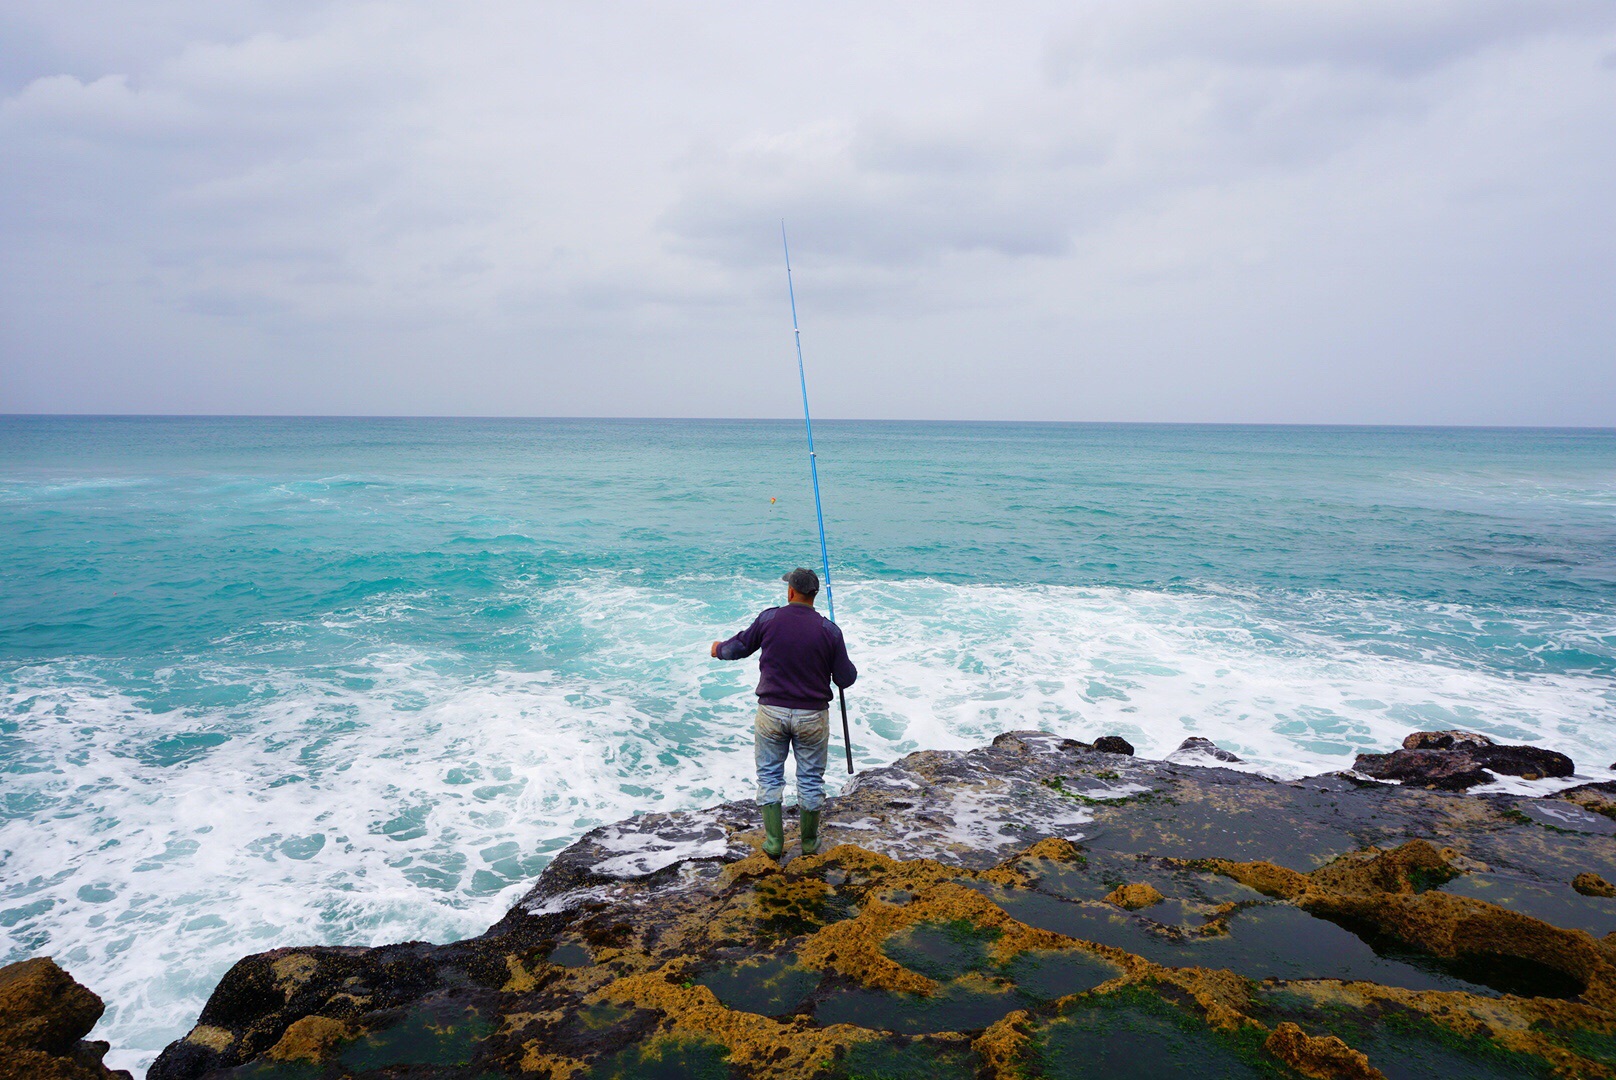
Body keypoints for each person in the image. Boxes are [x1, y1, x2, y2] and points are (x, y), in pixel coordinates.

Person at [709, 567, 857, 858]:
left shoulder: (770, 618)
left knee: (769, 776)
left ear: (791, 592)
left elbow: (739, 647)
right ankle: (810, 844)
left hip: (772, 713)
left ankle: (774, 843)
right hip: (812, 717)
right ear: (813, 595)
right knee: (811, 779)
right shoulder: (829, 630)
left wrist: (718, 649)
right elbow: (845, 678)